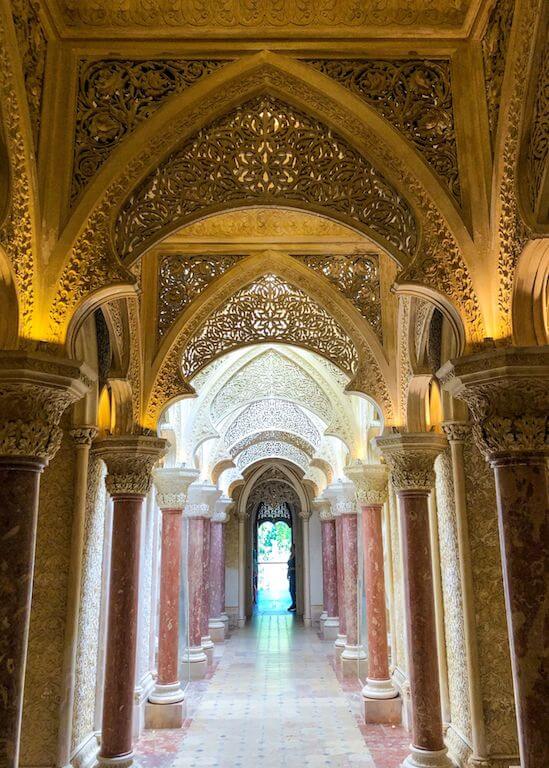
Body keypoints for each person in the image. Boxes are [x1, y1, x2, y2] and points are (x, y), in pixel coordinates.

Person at [287, 543, 296, 612]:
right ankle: (294, 602)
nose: (290, 548)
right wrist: (287, 573)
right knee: (290, 589)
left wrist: (292, 569)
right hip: (291, 574)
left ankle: (295, 603)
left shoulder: (296, 556)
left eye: (292, 547)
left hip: (294, 574)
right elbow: (289, 566)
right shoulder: (291, 555)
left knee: (293, 589)